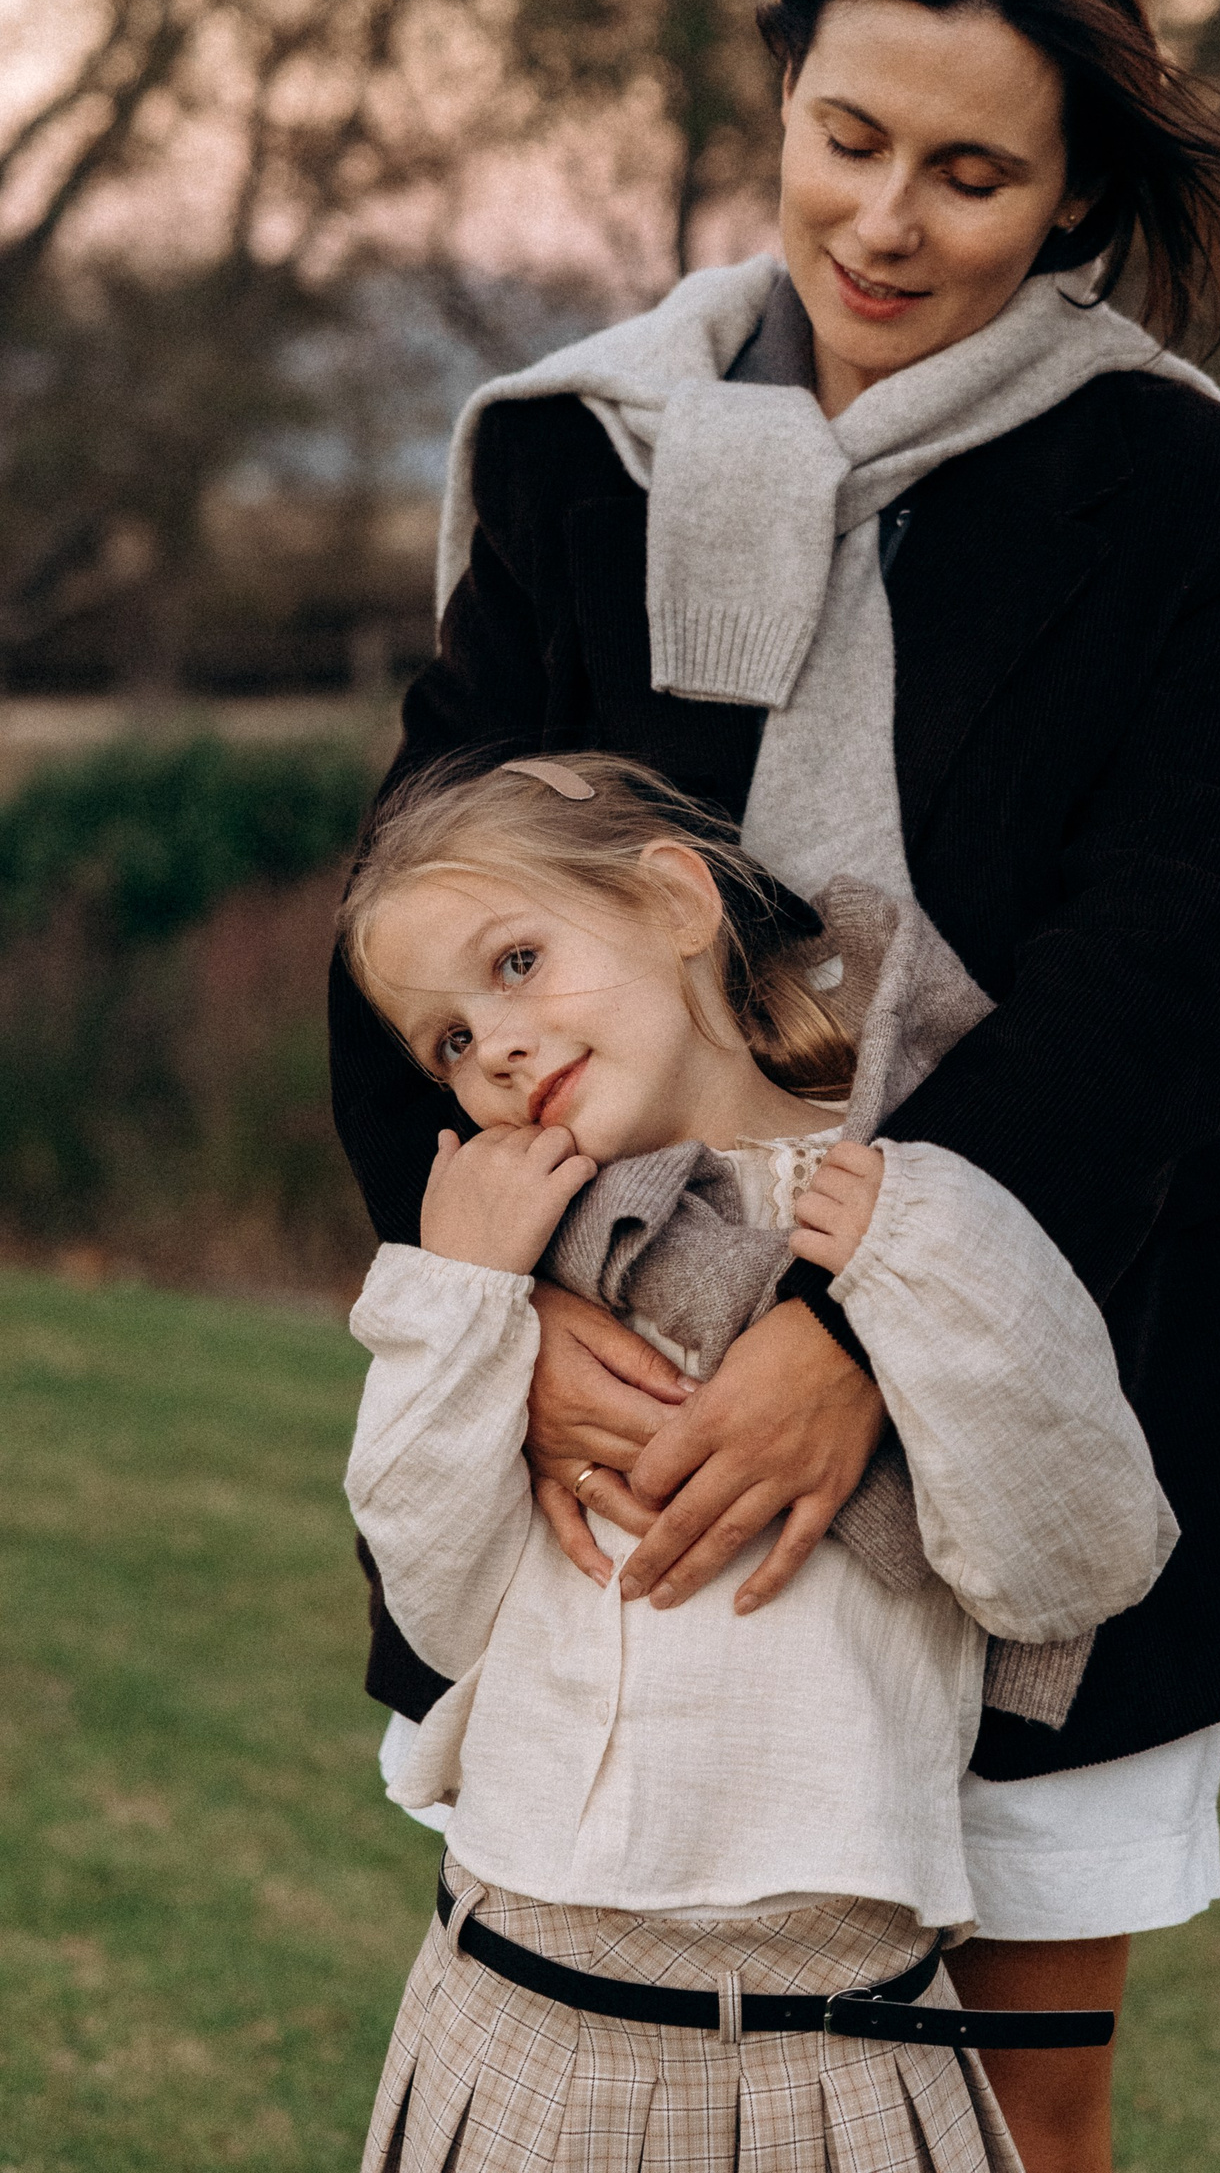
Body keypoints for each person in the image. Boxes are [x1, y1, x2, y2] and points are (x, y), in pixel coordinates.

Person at [332, 0, 1220, 2173]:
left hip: (1039, 1362)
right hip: (618, 1418)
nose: (888, 222)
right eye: (850, 137)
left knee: (1016, 2134)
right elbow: (420, 913)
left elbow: (1164, 965)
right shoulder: (578, 458)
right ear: (784, 97)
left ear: (1076, 190)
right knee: (596, 2099)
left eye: (973, 174)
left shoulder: (1200, 503)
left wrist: (872, 1335)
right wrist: (511, 1325)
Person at [340, 750, 1171, 2172]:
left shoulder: (922, 1210)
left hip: (828, 2041)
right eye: (452, 1044)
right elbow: (435, 1598)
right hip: (509, 2001)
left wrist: (914, 1269)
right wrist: (458, 1296)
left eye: (519, 963)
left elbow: (1066, 1564)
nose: (499, 1050)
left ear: (675, 899)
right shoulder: (509, 1274)